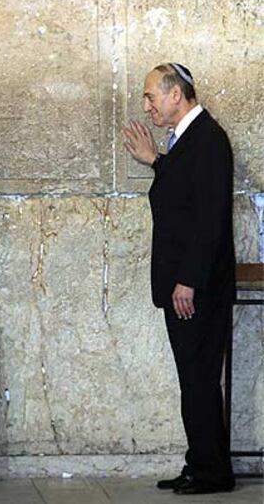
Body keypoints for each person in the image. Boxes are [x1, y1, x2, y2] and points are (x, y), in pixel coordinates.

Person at [124, 63, 235, 495]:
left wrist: (187, 279)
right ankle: (201, 463)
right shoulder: (189, 140)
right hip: (188, 286)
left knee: (200, 380)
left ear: (176, 95)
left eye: (152, 96)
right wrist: (158, 161)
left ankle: (212, 472)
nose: (147, 105)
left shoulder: (207, 139)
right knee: (194, 380)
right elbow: (185, 197)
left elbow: (208, 219)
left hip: (198, 289)